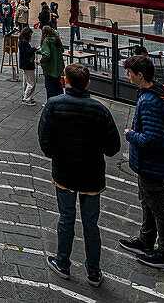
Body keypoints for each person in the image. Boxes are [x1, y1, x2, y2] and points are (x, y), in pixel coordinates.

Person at [39, 64, 121, 286]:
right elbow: (113, 147)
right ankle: (94, 271)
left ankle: (63, 263)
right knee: (91, 223)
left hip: (64, 171)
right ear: (88, 83)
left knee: (66, 218)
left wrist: (54, 154)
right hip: (92, 174)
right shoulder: (100, 110)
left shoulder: (54, 105)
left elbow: (44, 140)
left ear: (65, 82)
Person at [120, 54, 164, 271]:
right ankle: (146, 241)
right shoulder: (157, 92)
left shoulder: (150, 101)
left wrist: (130, 135)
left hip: (153, 164)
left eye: (130, 72)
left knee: (159, 208)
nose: (127, 75)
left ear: (140, 75)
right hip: (150, 163)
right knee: (148, 202)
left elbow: (154, 138)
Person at [39, 25, 65, 99]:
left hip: (50, 69)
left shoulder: (46, 41)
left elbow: (46, 55)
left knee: (50, 89)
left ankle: (51, 105)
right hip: (58, 68)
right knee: (58, 87)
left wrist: (42, 62)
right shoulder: (57, 40)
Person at [18, 28, 37, 105]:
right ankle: (27, 98)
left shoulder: (21, 41)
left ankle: (25, 95)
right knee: (31, 83)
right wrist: (34, 49)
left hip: (24, 63)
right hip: (27, 64)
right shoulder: (25, 42)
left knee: (26, 81)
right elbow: (27, 53)